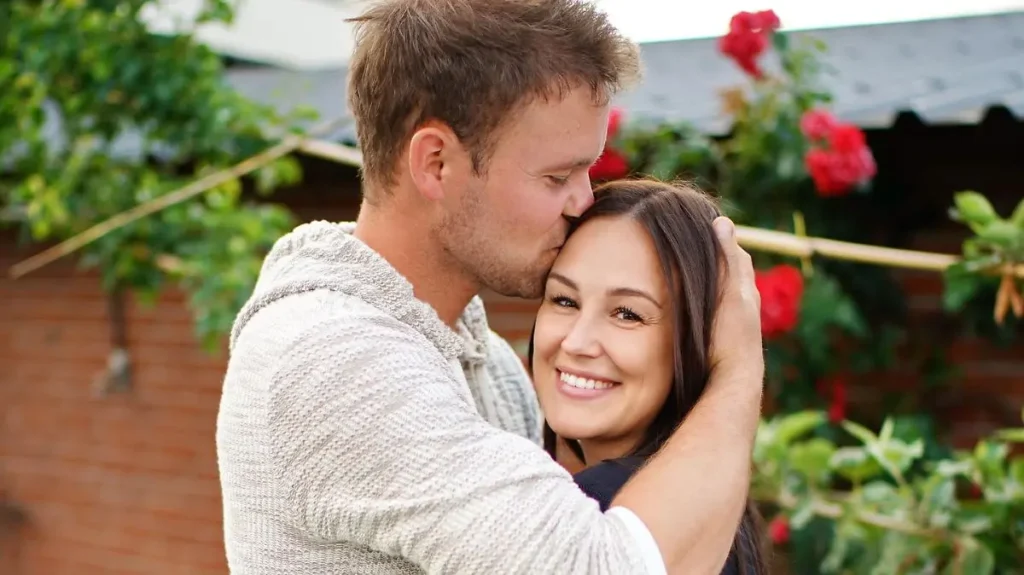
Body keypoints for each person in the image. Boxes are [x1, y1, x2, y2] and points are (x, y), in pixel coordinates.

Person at [216, 0, 764, 573]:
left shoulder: (486, 360)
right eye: (557, 176)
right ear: (436, 163)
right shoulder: (334, 360)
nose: (582, 201)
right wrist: (738, 367)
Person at [528, 179, 770, 575]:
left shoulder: (604, 514)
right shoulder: (715, 515)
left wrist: (739, 365)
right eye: (565, 300)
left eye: (627, 313)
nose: (576, 342)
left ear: (701, 339)